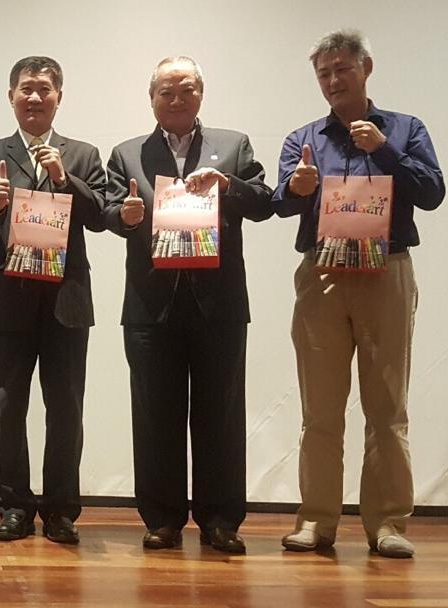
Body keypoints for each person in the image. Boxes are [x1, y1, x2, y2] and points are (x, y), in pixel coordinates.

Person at [273, 29, 445, 558]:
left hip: (386, 271)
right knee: (319, 409)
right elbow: (279, 203)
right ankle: (317, 521)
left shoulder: (405, 129)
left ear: (366, 67)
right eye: (323, 73)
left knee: (387, 406)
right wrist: (294, 190)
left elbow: (433, 193)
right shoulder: (303, 137)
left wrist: (385, 151)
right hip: (322, 274)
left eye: (341, 70)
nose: (331, 81)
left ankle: (388, 524)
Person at [104, 56, 273, 554]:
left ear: (201, 93)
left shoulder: (232, 145)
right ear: (151, 98)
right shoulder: (127, 153)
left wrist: (230, 186)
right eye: (166, 92)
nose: (176, 100)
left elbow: (264, 202)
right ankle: (162, 518)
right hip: (149, 308)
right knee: (154, 414)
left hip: (218, 304)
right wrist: (126, 214)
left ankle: (221, 520)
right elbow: (112, 212)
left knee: (221, 414)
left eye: (186, 90)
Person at [0, 56, 106, 544]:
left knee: (66, 407)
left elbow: (102, 216)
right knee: (7, 407)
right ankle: (14, 507)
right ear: (11, 96)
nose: (34, 97)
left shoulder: (82, 153)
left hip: (66, 298)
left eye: (44, 89)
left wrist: (66, 179)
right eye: (26, 89)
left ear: (59, 98)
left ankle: (61, 510)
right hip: (9, 297)